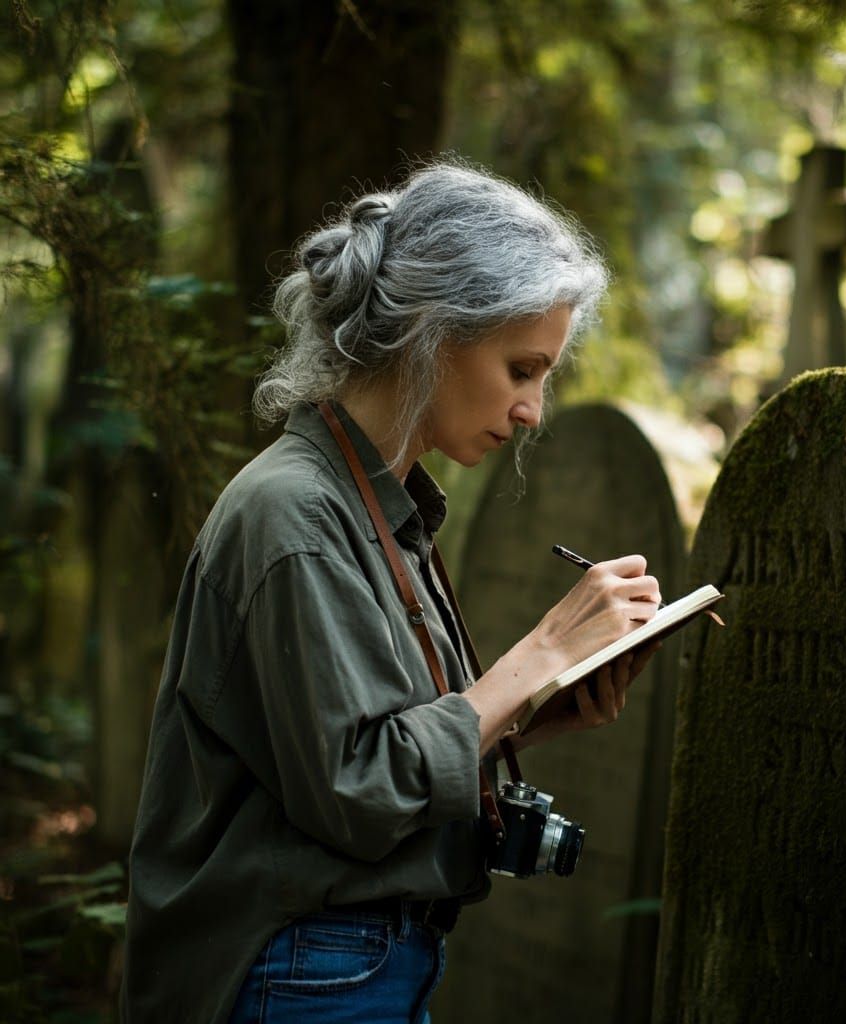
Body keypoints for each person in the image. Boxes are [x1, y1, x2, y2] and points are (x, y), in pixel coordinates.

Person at [121, 159, 662, 1024]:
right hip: (299, 968)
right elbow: (356, 794)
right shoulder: (294, 514)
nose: (533, 409)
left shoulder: (376, 505)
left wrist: (536, 708)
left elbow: (371, 747)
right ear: (434, 333)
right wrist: (542, 652)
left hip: (351, 960)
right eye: (521, 368)